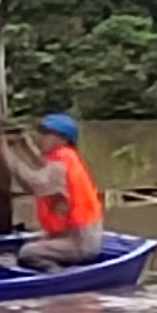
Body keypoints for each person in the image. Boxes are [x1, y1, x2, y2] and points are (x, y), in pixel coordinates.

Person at [25, 112, 108, 268]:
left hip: (80, 241)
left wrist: (4, 155)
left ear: (62, 139)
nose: (41, 138)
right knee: (32, 242)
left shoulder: (60, 163)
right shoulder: (64, 157)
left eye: (46, 134)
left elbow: (33, 184)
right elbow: (40, 161)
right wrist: (23, 143)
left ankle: (56, 275)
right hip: (75, 235)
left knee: (28, 252)